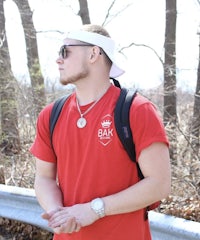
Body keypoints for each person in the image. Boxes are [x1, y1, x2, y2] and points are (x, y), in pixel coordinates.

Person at [30, 24, 171, 240]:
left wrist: (95, 209)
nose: (59, 59)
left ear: (94, 53)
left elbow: (159, 185)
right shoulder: (51, 115)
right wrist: (56, 211)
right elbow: (43, 177)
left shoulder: (137, 110)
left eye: (65, 52)